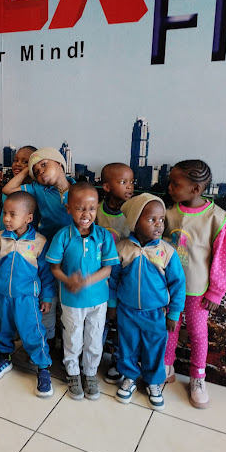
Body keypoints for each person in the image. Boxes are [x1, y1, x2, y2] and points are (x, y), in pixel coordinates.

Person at [163, 160, 226, 409]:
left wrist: (216, 291)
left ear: (195, 189)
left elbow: (223, 258)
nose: (170, 188)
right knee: (169, 327)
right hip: (170, 287)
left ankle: (198, 377)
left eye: (176, 184)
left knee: (198, 333)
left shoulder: (216, 218)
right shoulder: (169, 214)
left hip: (197, 290)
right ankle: (166, 366)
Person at [109, 194, 186, 411]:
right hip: (127, 311)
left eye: (161, 219)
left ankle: (153, 381)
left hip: (156, 313)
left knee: (155, 348)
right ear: (135, 222)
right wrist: (112, 304)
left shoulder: (167, 252)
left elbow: (178, 285)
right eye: (151, 219)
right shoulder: (122, 249)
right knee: (127, 345)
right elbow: (113, 279)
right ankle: (129, 376)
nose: (159, 225)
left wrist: (174, 314)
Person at [46, 182, 119, 400]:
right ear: (68, 208)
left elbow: (107, 269)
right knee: (73, 338)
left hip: (98, 300)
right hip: (72, 301)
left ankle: (90, 373)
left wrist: (86, 281)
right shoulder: (62, 236)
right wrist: (68, 280)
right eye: (80, 208)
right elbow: (54, 268)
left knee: (94, 339)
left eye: (92, 208)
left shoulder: (104, 236)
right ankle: (73, 373)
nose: (86, 214)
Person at [0, 191, 55, 397]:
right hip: (3, 296)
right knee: (3, 327)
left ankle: (43, 367)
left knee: (32, 331)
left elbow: (46, 274)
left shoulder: (39, 242)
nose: (6, 218)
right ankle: (5, 356)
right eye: (5, 213)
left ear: (29, 217)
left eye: (13, 214)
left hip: (28, 298)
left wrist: (47, 297)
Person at [2, 147, 76, 347]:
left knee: (68, 303)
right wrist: (29, 170)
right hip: (47, 252)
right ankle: (48, 340)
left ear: (59, 163)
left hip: (72, 254)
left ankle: (68, 344)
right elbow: (8, 190)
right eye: (36, 171)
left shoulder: (78, 190)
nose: (40, 171)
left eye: (44, 164)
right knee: (48, 297)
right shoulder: (37, 189)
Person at [96, 162, 134, 385]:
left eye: (131, 182)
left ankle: (119, 361)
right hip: (99, 276)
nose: (129, 187)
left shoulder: (134, 213)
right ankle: (92, 358)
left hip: (125, 278)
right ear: (107, 187)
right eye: (123, 182)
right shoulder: (96, 210)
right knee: (98, 321)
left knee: (122, 324)